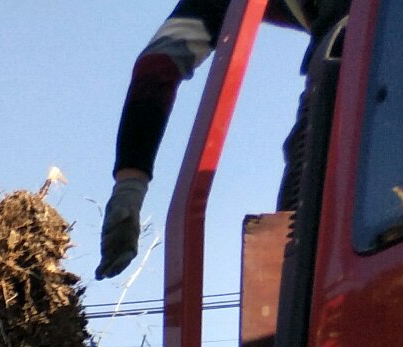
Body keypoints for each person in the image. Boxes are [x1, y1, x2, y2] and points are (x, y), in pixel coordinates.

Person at [99, 0, 349, 280]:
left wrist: (129, 189)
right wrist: (129, 190)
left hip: (353, 74)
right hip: (346, 78)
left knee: (307, 242)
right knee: (305, 241)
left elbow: (156, 67)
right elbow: (158, 66)